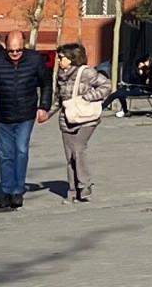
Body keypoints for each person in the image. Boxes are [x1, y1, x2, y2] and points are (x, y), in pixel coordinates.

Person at [0, 30, 52, 209]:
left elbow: (46, 82)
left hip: (26, 115)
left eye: (18, 50)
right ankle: (7, 190)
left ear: (23, 46)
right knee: (5, 154)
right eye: (11, 51)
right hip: (3, 116)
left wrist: (44, 107)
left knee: (21, 149)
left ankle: (17, 190)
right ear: (5, 47)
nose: (15, 54)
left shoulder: (34, 60)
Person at [53, 43, 111, 202]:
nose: (59, 60)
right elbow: (59, 99)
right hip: (67, 119)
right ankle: (72, 192)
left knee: (79, 148)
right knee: (70, 157)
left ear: (72, 58)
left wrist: (87, 98)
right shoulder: (61, 75)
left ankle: (85, 186)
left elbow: (107, 85)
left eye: (61, 57)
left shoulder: (86, 72)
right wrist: (45, 113)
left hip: (87, 118)